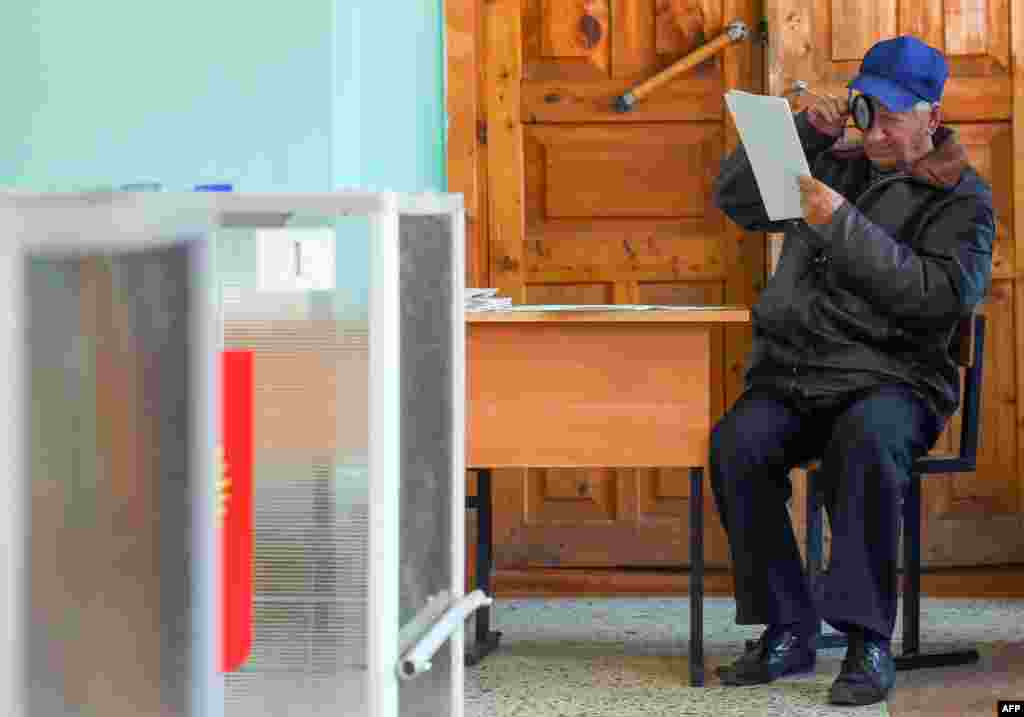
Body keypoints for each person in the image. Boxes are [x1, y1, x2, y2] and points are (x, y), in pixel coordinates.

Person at [710, 35, 995, 706]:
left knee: (865, 442)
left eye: (895, 114)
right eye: (870, 107)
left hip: (896, 378)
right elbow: (735, 198)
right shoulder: (831, 161)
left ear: (933, 116)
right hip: (801, 368)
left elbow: (939, 297)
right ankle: (788, 624)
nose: (878, 126)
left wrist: (843, 225)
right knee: (736, 445)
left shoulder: (962, 197)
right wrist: (807, 131)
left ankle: (868, 640)